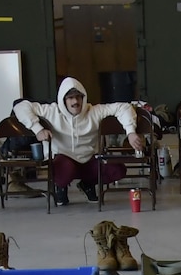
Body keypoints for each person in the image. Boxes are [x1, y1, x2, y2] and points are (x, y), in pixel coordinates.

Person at [14, 77, 145, 206]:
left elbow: (123, 107)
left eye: (78, 97)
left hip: (88, 160)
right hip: (63, 161)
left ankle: (87, 184)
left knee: (118, 170)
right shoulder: (52, 111)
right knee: (64, 169)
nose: (75, 101)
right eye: (70, 98)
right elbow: (20, 106)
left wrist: (131, 132)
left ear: (84, 98)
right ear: (63, 100)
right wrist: (37, 129)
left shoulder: (94, 111)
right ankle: (61, 187)